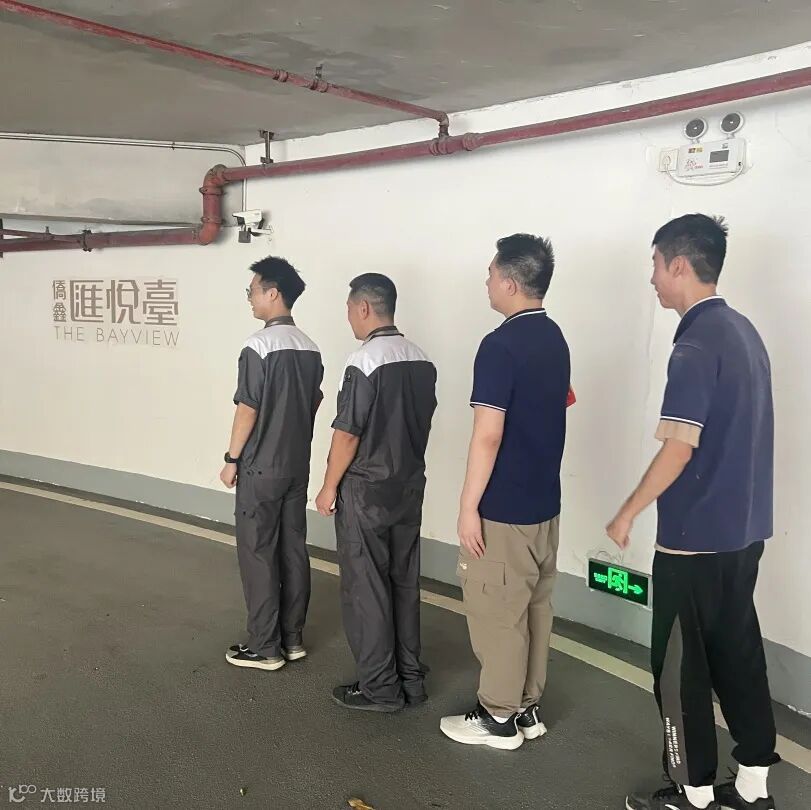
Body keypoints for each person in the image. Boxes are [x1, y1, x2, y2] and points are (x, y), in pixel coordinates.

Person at [606, 215, 779, 810]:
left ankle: (694, 792)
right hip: (744, 535)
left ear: (679, 265)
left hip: (694, 541)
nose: (652, 278)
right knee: (739, 654)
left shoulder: (696, 343)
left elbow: (680, 447)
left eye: (655, 265)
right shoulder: (744, 332)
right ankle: (752, 786)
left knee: (679, 669)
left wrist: (628, 511)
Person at [440, 234, 572, 750]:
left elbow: (489, 434)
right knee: (535, 608)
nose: (487, 281)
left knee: (498, 614)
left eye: (492, 273)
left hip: (505, 508)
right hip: (545, 504)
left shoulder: (499, 345)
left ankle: (497, 718)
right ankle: (526, 708)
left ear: (511, 282)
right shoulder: (555, 337)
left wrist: (468, 506)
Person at [315, 273, 437, 712]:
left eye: (350, 308)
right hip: (408, 487)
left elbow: (348, 433)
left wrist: (329, 486)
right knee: (403, 582)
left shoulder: (364, 361)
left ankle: (380, 688)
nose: (349, 317)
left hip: (366, 492)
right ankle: (410, 679)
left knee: (366, 588)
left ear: (364, 307)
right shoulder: (422, 359)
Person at [220, 256, 323, 672]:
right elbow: (313, 403)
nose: (249, 298)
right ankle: (292, 638)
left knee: (258, 552)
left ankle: (264, 646)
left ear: (272, 293)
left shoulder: (258, 346)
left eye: (252, 291)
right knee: (293, 549)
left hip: (261, 467)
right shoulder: (310, 347)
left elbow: (248, 407)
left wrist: (232, 458)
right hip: (297, 466)